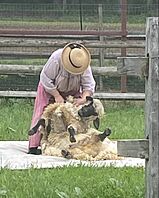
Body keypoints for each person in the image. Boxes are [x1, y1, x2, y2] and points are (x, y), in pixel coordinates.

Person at [28, 42, 96, 154]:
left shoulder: (83, 63)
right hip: (50, 88)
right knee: (42, 112)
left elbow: (88, 85)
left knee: (76, 116)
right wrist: (56, 96)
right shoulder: (56, 59)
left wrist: (83, 98)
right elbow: (45, 78)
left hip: (72, 92)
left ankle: (77, 143)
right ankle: (34, 145)